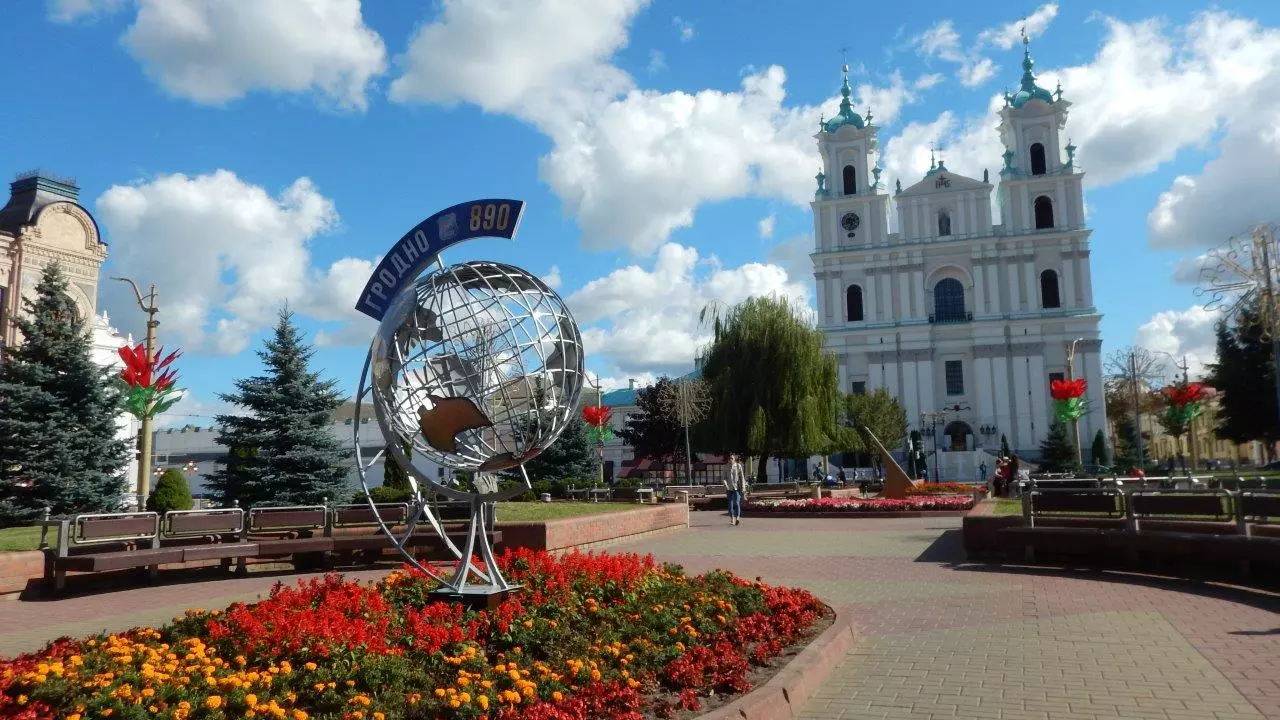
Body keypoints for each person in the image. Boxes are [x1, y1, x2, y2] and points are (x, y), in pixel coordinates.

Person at [725, 454, 747, 525]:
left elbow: (742, 477)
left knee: (737, 502)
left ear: (734, 459)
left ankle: (737, 518)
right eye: (729, 458)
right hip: (729, 488)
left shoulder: (738, 466)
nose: (730, 460)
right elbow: (724, 478)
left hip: (736, 488)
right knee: (730, 505)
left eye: (732, 458)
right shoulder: (726, 467)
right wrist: (726, 485)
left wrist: (743, 487)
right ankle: (732, 519)